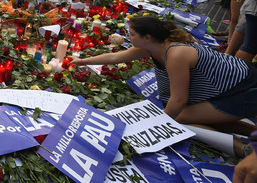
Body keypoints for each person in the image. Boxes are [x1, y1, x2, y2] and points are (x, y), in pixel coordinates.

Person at [72, 16, 257, 156]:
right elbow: (115, 57)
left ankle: (246, 151)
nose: (129, 37)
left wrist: (158, 125)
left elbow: (179, 99)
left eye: (132, 34)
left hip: (243, 90)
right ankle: (253, 134)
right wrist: (81, 61)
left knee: (181, 117)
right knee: (193, 116)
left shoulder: (175, 54)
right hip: (231, 88)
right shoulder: (151, 46)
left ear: (147, 37)